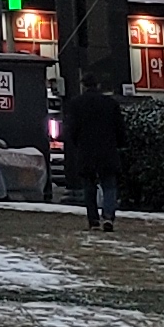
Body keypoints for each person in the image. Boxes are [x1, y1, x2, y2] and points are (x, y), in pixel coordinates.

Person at [62, 76, 126, 233]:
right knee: (109, 185)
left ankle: (94, 220)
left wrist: (77, 145)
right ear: (98, 85)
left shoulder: (76, 104)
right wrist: (119, 144)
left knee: (89, 187)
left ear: (83, 85)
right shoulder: (110, 103)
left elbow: (72, 130)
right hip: (107, 150)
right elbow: (120, 128)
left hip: (86, 151)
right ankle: (108, 216)